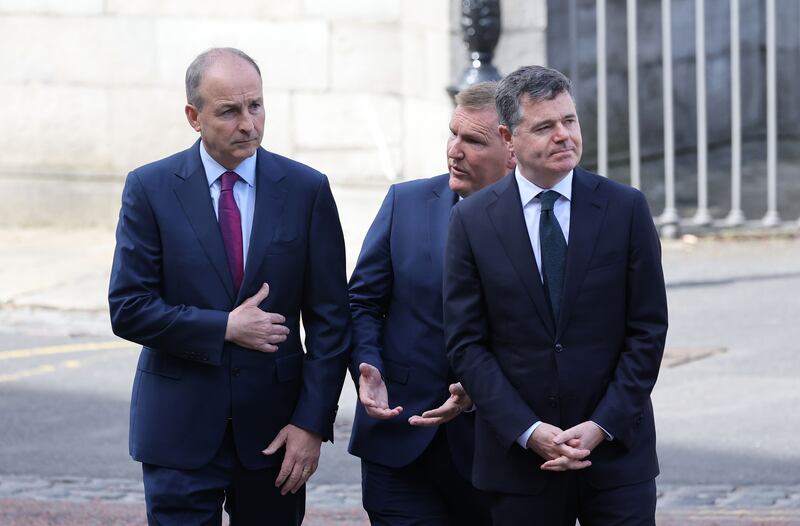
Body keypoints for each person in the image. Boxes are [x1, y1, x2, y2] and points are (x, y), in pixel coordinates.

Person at [108, 47, 351, 525]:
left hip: (276, 435)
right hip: (178, 431)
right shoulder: (150, 188)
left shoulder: (306, 190)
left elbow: (330, 321)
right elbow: (129, 307)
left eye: (256, 106)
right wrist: (223, 327)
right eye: (230, 111)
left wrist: (311, 423)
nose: (249, 125)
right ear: (193, 117)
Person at [443, 65, 668, 525]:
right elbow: (467, 343)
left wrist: (601, 426)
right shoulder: (473, 221)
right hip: (519, 465)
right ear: (509, 138)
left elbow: (647, 330)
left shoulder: (625, 208)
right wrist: (529, 432)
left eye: (570, 121)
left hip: (616, 458)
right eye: (545, 126)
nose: (564, 135)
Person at [348, 81, 515, 525]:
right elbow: (362, 301)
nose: (454, 151)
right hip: (399, 441)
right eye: (452, 134)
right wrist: (368, 364)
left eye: (473, 141)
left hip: (493, 450)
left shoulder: (536, 224)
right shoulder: (406, 203)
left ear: (511, 150)